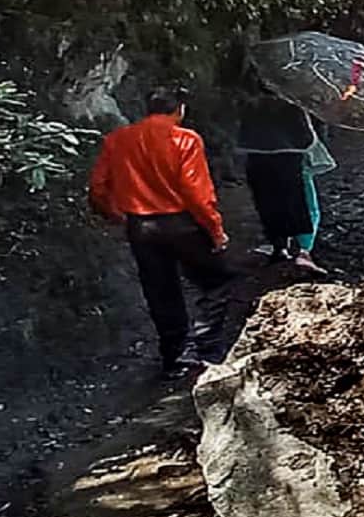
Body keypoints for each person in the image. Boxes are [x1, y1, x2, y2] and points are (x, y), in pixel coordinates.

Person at [89, 88, 234, 378]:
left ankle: (175, 356)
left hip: (141, 227)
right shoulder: (185, 139)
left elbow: (98, 187)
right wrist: (215, 230)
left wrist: (114, 214)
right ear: (179, 110)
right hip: (182, 224)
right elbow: (196, 193)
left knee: (160, 290)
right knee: (216, 282)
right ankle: (206, 349)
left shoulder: (117, 139)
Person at [237, 91, 326, 274]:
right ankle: (304, 253)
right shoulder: (293, 105)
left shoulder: (251, 106)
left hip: (257, 162)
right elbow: (306, 139)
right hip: (290, 162)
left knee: (268, 206)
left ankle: (279, 248)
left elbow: (241, 134)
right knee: (302, 206)